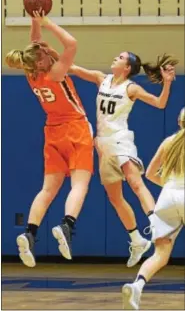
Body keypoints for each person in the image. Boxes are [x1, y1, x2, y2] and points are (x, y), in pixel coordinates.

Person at [69, 52, 177, 267]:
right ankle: (137, 240)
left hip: (121, 140)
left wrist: (166, 83)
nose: (115, 59)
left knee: (136, 183)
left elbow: (160, 104)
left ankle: (157, 223)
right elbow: (72, 68)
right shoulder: (102, 78)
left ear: (127, 67)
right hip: (103, 144)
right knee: (115, 198)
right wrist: (49, 54)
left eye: (119, 57)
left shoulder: (131, 88)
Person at [5, 11, 94, 267]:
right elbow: (72, 44)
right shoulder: (56, 72)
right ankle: (66, 225)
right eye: (43, 51)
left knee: (47, 190)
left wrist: (35, 19)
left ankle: (29, 233)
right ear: (42, 61)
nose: (45, 49)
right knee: (80, 185)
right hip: (75, 129)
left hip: (52, 132)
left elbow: (35, 42)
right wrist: (47, 23)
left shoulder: (31, 74)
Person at [122, 107, 185, 310]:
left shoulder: (169, 142)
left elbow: (149, 173)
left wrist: (170, 188)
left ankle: (136, 286)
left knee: (160, 254)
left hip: (166, 196)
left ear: (179, 121)